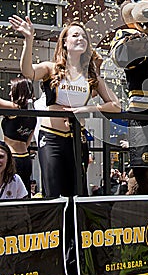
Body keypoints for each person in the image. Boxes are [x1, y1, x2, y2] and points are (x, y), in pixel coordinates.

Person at [9, 15, 121, 198]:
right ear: (65, 42)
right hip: (52, 137)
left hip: (78, 138)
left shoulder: (91, 75)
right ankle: (56, 226)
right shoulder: (51, 68)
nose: (81, 39)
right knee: (53, 191)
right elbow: (27, 71)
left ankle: (76, 227)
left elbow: (116, 105)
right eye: (75, 35)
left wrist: (88, 109)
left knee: (78, 191)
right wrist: (29, 39)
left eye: (84, 37)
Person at [0, 77, 36, 197]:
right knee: (24, 194)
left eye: (12, 89)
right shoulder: (33, 114)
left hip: (12, 158)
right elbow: (28, 141)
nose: (10, 93)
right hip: (26, 159)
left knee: (8, 194)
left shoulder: (14, 109)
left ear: (18, 91)